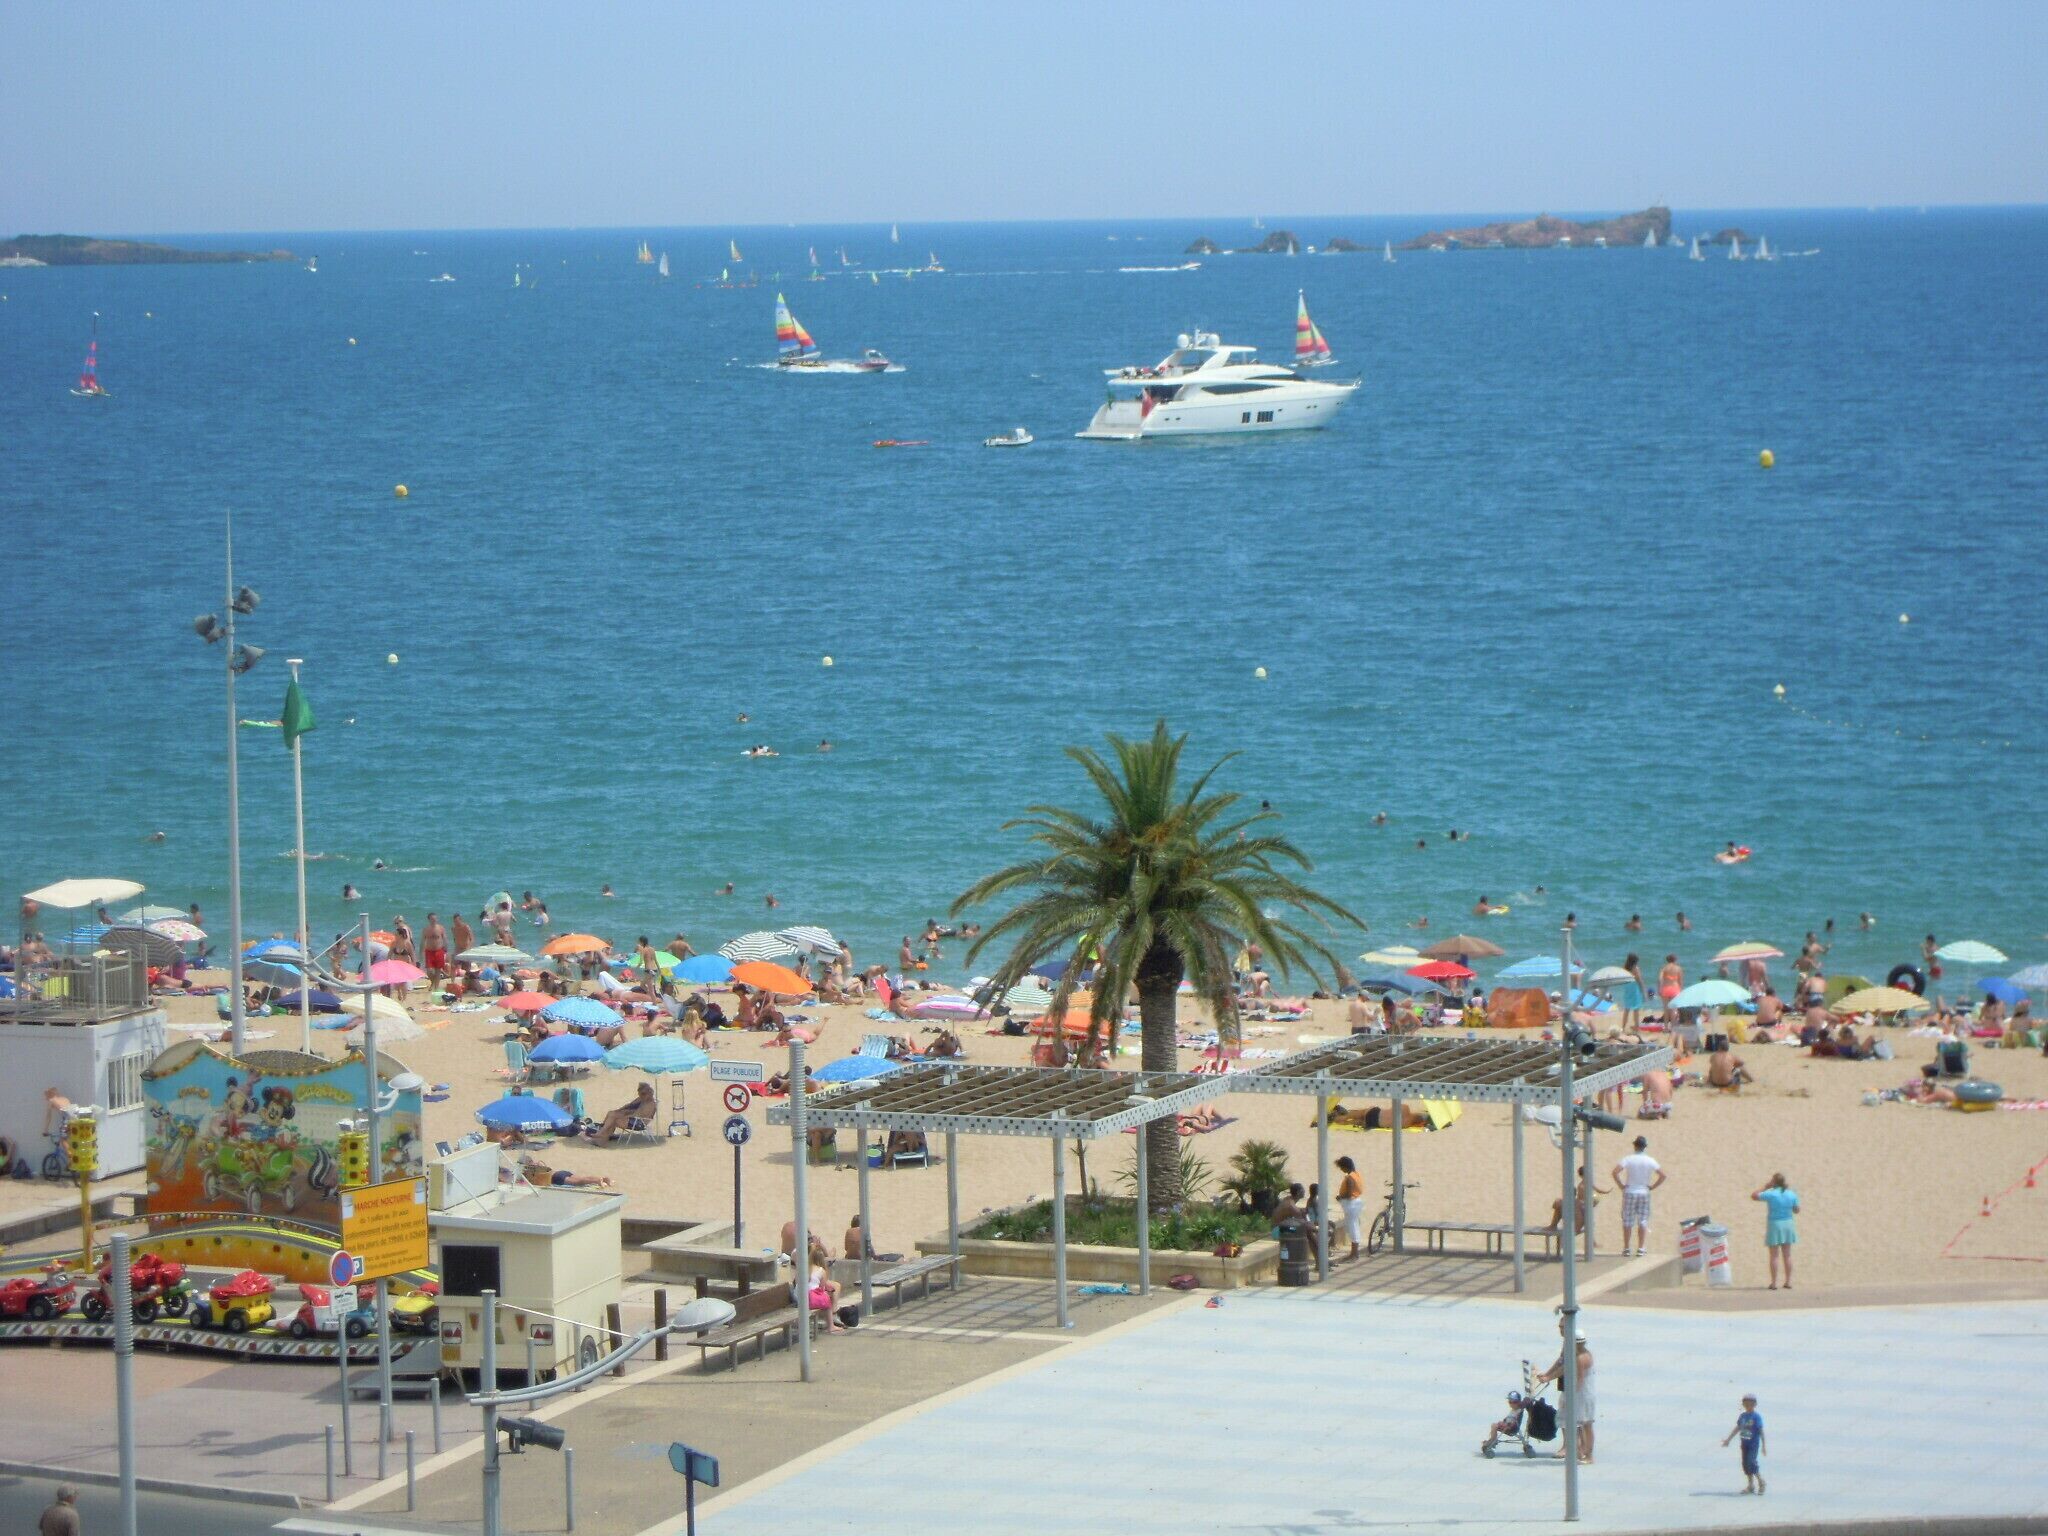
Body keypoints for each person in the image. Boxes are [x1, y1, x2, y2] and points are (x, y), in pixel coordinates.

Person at [1535, 1333, 1594, 1463]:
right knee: (1579, 1423)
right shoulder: (1577, 1354)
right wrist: (1548, 1376)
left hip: (1581, 1395)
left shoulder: (1580, 1357)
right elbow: (1563, 1366)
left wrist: (1571, 1399)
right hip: (1580, 1394)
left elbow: (1579, 1379)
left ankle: (1588, 1455)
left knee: (1585, 1424)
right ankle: (1580, 1452)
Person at [1613, 1135, 1665, 1257]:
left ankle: (1626, 1247)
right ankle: (1641, 1247)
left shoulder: (1628, 1159)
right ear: (1644, 1147)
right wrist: (1652, 1186)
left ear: (1635, 1146)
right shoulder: (1650, 1160)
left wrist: (1621, 1185)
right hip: (1644, 1191)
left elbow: (1615, 1172)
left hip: (1630, 1191)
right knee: (1643, 1220)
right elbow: (1663, 1175)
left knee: (1627, 1220)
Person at [1752, 1173, 1800, 1290]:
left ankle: (1774, 1283)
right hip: (1788, 1223)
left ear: (1774, 1182)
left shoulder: (1771, 1193)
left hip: (1775, 1224)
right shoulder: (1791, 1193)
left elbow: (1754, 1196)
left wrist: (1765, 1187)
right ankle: (1788, 1281)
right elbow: (1796, 1210)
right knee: (1787, 1254)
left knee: (1774, 1255)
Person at [1722, 1394, 1766, 1494]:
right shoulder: (1743, 1416)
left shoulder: (1756, 1417)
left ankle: (1761, 1482)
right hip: (1744, 1444)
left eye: (1750, 1404)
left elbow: (1760, 1431)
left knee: (1751, 1462)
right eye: (1745, 1404)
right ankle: (1750, 1485)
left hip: (1753, 1444)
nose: (1748, 1406)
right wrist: (1728, 1440)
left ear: (1755, 1404)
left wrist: (1763, 1445)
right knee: (1745, 1464)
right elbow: (1738, 1428)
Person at [588, 1082, 656, 1146]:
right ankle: (602, 1136)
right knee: (612, 1116)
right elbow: (633, 1107)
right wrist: (621, 1111)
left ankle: (601, 1136)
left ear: (649, 1093)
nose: (641, 1096)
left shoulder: (650, 1104)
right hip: (635, 1120)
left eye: (643, 1094)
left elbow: (639, 1115)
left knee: (613, 1120)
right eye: (640, 1094)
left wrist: (625, 1115)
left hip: (639, 1123)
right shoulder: (644, 1100)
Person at [1335, 1154, 1365, 1261]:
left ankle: (1354, 1254)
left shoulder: (1350, 1178)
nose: (1341, 1169)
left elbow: (1349, 1193)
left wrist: (1339, 1197)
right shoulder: (1356, 1174)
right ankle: (1354, 1253)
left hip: (1351, 1204)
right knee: (1354, 1225)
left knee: (1353, 1227)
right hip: (1356, 1203)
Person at [1481, 1391, 1530, 1457]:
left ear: (1518, 1402)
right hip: (1508, 1425)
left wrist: (1505, 1424)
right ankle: (1492, 1439)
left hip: (1511, 1428)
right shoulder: (1514, 1410)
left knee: (1494, 1426)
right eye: (1510, 1402)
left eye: (1513, 1402)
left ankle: (1492, 1441)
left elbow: (1513, 1422)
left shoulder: (1518, 1410)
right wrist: (1503, 1422)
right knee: (1494, 1425)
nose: (1511, 1404)